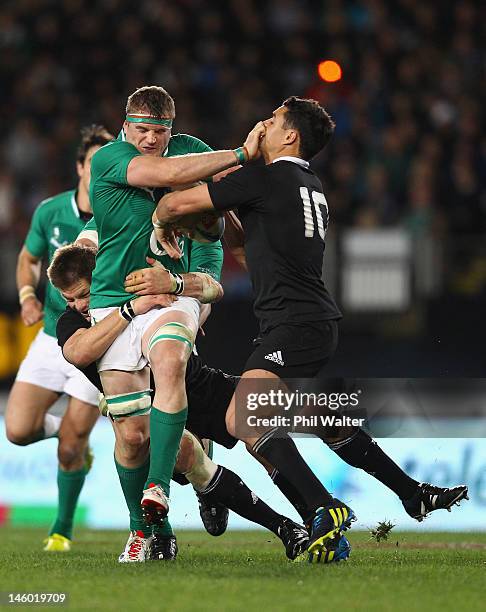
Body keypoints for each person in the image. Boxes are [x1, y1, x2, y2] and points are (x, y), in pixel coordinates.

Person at [150, 96, 469, 557]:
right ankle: (408, 493)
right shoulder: (307, 183)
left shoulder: (265, 176)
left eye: (274, 121)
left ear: (290, 136)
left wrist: (228, 165)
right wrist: (222, 207)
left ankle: (322, 506)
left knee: (245, 415)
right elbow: (245, 244)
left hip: (295, 324)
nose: (265, 124)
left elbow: (176, 205)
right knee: (322, 421)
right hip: (308, 323)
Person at [47, 243, 313, 564]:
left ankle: (315, 516)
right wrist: (129, 311)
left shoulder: (152, 282)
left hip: (195, 385)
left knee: (259, 425)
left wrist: (189, 307)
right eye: (69, 299)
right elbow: (78, 352)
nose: (78, 305)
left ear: (102, 280)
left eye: (84, 294)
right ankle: (161, 532)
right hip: (149, 407)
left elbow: (204, 298)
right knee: (160, 447)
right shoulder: (87, 318)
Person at [87, 85, 263, 539]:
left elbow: (223, 211)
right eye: (141, 130)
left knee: (171, 361)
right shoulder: (111, 158)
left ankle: (158, 489)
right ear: (126, 126)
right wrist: (241, 152)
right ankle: (155, 525)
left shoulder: (192, 151)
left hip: (178, 287)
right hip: (117, 300)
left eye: (158, 132)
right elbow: (165, 173)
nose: (148, 138)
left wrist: (192, 295)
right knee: (131, 433)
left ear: (172, 129)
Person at [4, 125, 114, 551]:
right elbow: (28, 258)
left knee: (70, 446)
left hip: (95, 343)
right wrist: (28, 295)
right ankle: (73, 438)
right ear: (81, 167)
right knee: (17, 429)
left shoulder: (120, 215)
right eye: (96, 163)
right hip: (51, 337)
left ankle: (61, 531)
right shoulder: (51, 211)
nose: (104, 170)